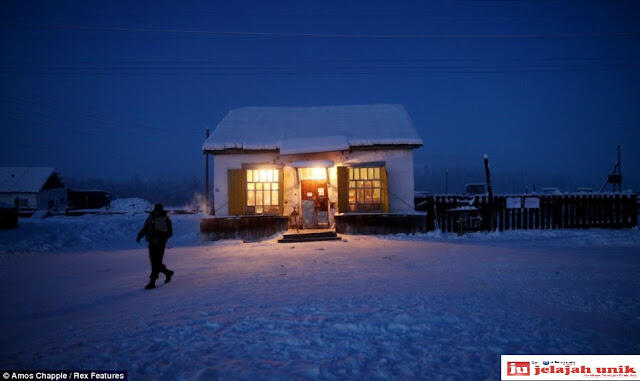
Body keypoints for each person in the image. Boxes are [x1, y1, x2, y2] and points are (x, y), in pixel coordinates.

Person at [137, 203, 174, 289]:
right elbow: (145, 228)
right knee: (155, 263)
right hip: (151, 243)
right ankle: (168, 273)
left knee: (155, 264)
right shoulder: (151, 218)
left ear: (161, 210)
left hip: (160, 245)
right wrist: (139, 235)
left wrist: (160, 238)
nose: (157, 212)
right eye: (156, 210)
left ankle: (152, 282)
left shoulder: (166, 220)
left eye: (158, 210)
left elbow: (170, 233)